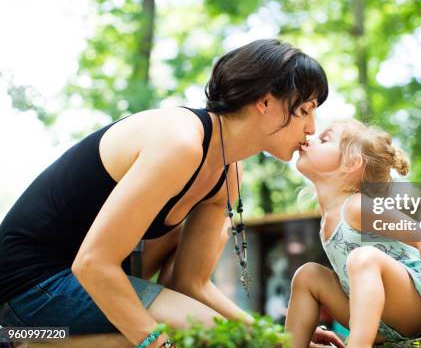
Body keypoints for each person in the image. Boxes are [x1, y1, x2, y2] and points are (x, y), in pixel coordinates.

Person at [0, 39, 329, 348]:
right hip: (25, 291)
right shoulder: (179, 141)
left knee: (218, 335)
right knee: (200, 336)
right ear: (265, 101)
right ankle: (27, 340)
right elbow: (92, 264)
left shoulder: (229, 171)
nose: (312, 127)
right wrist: (155, 342)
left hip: (80, 287)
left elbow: (191, 283)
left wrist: (276, 339)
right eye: (304, 110)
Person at [285, 119, 421, 347]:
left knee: (363, 257)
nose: (311, 139)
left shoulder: (356, 206)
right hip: (376, 321)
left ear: (352, 162)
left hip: (416, 311)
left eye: (324, 139)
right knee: (307, 275)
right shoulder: (326, 218)